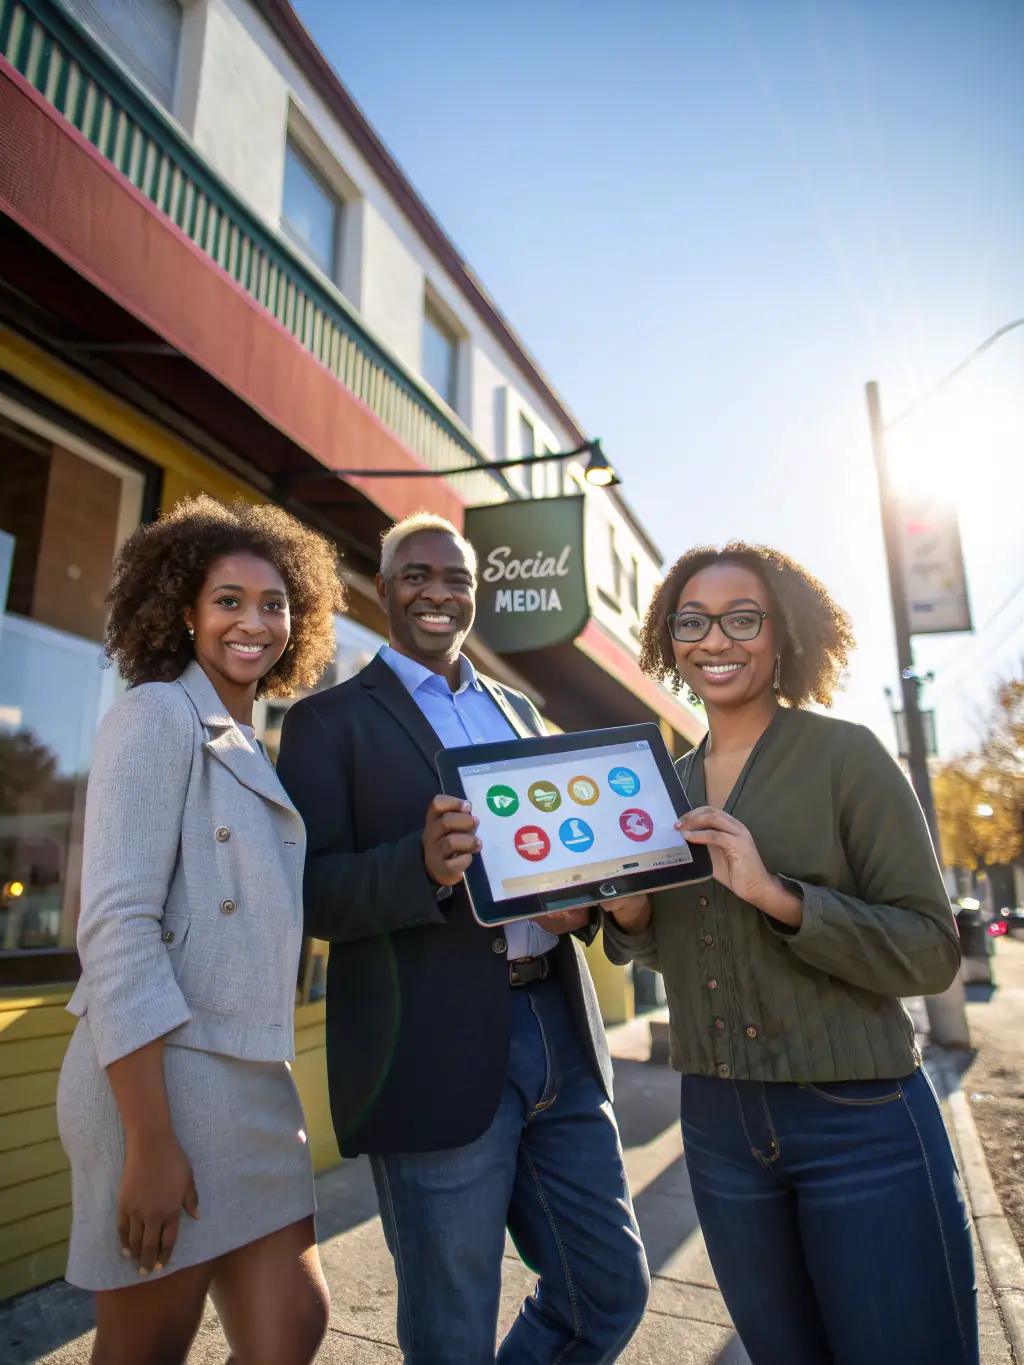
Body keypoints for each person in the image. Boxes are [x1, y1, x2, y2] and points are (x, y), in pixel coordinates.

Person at [276, 512, 650, 1365]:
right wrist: (420, 866)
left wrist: (581, 907)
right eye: (417, 575)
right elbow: (310, 894)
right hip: (430, 1049)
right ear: (384, 584)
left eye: (456, 579)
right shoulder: (327, 721)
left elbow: (565, 856)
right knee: (452, 1328)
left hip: (557, 1031)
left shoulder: (518, 708)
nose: (438, 593)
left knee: (608, 1289)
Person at [602, 542, 978, 1365]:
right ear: (671, 640)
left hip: (860, 1115)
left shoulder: (848, 756)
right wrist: (629, 914)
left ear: (783, 636)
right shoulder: (662, 783)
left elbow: (930, 950)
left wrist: (779, 895)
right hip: (718, 1121)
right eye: (692, 621)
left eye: (743, 618)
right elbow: (682, 952)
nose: (716, 640)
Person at [56, 495, 344, 1365]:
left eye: (273, 602)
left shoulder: (253, 742)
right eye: (228, 600)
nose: (254, 622)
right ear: (183, 611)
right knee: (148, 1346)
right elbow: (116, 926)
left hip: (251, 1077)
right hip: (158, 1074)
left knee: (292, 1323)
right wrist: (149, 1139)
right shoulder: (156, 716)